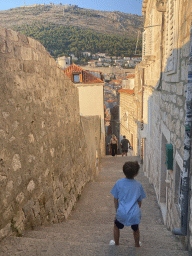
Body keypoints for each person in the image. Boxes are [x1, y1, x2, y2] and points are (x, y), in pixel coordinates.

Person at [110, 161, 146, 247]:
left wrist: (117, 210)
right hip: (134, 213)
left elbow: (115, 199)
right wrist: (136, 210)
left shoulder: (119, 183)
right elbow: (139, 201)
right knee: (136, 229)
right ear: (136, 173)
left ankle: (116, 243)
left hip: (121, 212)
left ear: (124, 171)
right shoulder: (138, 185)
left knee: (116, 226)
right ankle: (137, 244)